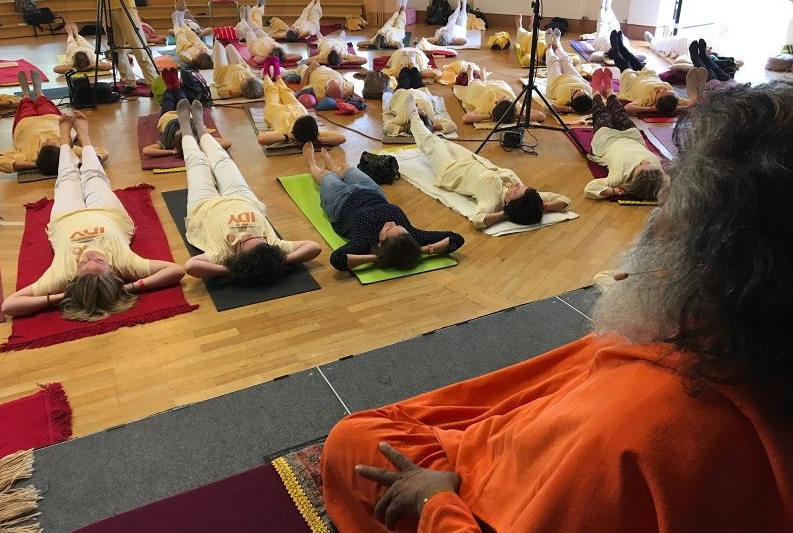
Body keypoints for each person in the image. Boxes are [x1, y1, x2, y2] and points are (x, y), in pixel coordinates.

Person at [320, 80, 793, 533]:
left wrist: (435, 501)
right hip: (567, 430)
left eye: (673, 195)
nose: (660, 202)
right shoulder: (728, 338)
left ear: (711, 246)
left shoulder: (637, 429)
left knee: (352, 442)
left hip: (512, 477)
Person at [1, 111, 184, 321]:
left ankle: (65, 140)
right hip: (109, 213)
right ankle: (85, 138)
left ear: (73, 279)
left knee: (67, 178)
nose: (89, 256)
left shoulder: (61, 275)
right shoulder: (125, 264)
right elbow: (175, 270)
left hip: (66, 218)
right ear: (113, 272)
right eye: (98, 260)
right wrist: (130, 287)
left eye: (81, 264)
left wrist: (62, 296)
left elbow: (9, 305)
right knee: (94, 176)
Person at [177, 99, 321, 282]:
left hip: (204, 207)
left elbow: (191, 266)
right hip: (242, 198)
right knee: (222, 160)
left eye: (243, 242)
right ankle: (201, 128)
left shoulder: (222, 253)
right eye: (257, 239)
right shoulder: (274, 245)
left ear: (239, 257)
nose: (247, 235)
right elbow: (313, 247)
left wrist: (232, 270)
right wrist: (281, 260)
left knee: (197, 163)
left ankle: (186, 130)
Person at [405, 93, 569, 229]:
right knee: (442, 141)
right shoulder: (529, 199)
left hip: (450, 169)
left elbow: (478, 221)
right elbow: (564, 200)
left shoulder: (492, 200)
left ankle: (413, 115)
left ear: (510, 203)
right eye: (521, 186)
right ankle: (423, 125)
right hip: (471, 159)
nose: (517, 185)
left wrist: (506, 214)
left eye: (516, 190)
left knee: (430, 142)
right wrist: (541, 206)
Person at [304, 143, 464, 271]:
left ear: (380, 244)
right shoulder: (410, 237)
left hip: (339, 200)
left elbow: (337, 259)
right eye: (398, 226)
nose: (392, 223)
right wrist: (418, 250)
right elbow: (456, 239)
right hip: (371, 190)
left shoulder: (364, 241)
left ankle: (311, 163)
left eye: (389, 229)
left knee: (324, 175)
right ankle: (332, 165)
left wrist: (379, 257)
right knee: (346, 167)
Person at [0, 71, 109, 174]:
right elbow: (103, 153)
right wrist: (79, 161)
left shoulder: (27, 156)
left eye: (45, 144)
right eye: (54, 142)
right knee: (44, 102)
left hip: (26, 123)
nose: (48, 139)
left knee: (25, 104)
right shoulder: (69, 150)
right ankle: (39, 92)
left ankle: (26, 94)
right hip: (51, 119)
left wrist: (36, 165)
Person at [583, 68, 664, 200]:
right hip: (633, 137)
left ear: (635, 177)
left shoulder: (619, 177)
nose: (647, 162)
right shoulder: (658, 174)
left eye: (643, 166)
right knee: (619, 111)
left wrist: (615, 191)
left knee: (601, 113)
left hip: (607, 141)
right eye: (650, 165)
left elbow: (590, 189)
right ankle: (609, 91)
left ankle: (596, 91)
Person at [143, 68, 231, 158]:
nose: (181, 128)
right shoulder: (197, 136)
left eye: (180, 131)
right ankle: (176, 87)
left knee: (168, 100)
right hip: (186, 114)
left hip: (167, 116)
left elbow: (146, 150)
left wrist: (173, 152)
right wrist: (202, 148)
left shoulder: (169, 140)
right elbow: (226, 143)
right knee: (183, 100)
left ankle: (170, 87)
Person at [610, 31, 690, 115]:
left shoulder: (646, 99)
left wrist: (651, 109)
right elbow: (692, 104)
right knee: (635, 61)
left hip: (633, 82)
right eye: (668, 90)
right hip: (649, 76)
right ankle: (622, 46)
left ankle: (615, 47)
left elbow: (627, 108)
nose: (665, 88)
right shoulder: (672, 98)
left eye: (663, 92)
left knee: (625, 63)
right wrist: (675, 108)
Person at [257, 75, 346, 146]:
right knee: (286, 91)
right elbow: (342, 138)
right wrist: (318, 139)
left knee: (271, 91)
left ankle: (266, 75)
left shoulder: (284, 131)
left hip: (275, 110)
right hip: (296, 108)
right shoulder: (313, 132)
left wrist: (287, 136)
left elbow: (261, 139)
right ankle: (277, 76)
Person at [460, 67, 546, 124]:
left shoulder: (486, 106)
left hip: (482, 91)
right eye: (508, 99)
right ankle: (484, 78)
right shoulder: (515, 106)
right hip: (499, 86)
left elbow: (466, 118)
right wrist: (515, 115)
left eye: (504, 98)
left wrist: (491, 116)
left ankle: (470, 74)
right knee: (488, 83)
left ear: (496, 103)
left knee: (473, 84)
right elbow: (541, 115)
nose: (506, 96)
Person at [109, 0, 158, 92]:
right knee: (116, 49)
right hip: (106, 7)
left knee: (139, 46)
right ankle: (128, 82)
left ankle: (153, 83)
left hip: (126, 5)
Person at [544, 28, 593, 114]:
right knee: (566, 60)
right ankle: (556, 45)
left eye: (578, 92)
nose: (581, 90)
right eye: (583, 92)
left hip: (555, 82)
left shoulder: (563, 99)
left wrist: (569, 109)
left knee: (554, 61)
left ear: (572, 99)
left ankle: (549, 46)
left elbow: (549, 107)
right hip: (575, 78)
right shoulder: (589, 96)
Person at [384, 87, 457, 137]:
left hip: (402, 92)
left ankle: (408, 68)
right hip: (419, 91)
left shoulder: (403, 117)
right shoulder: (430, 117)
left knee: (407, 74)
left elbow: (387, 128)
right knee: (413, 73)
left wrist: (405, 129)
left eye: (418, 109)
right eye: (419, 110)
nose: (418, 107)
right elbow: (453, 126)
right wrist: (432, 127)